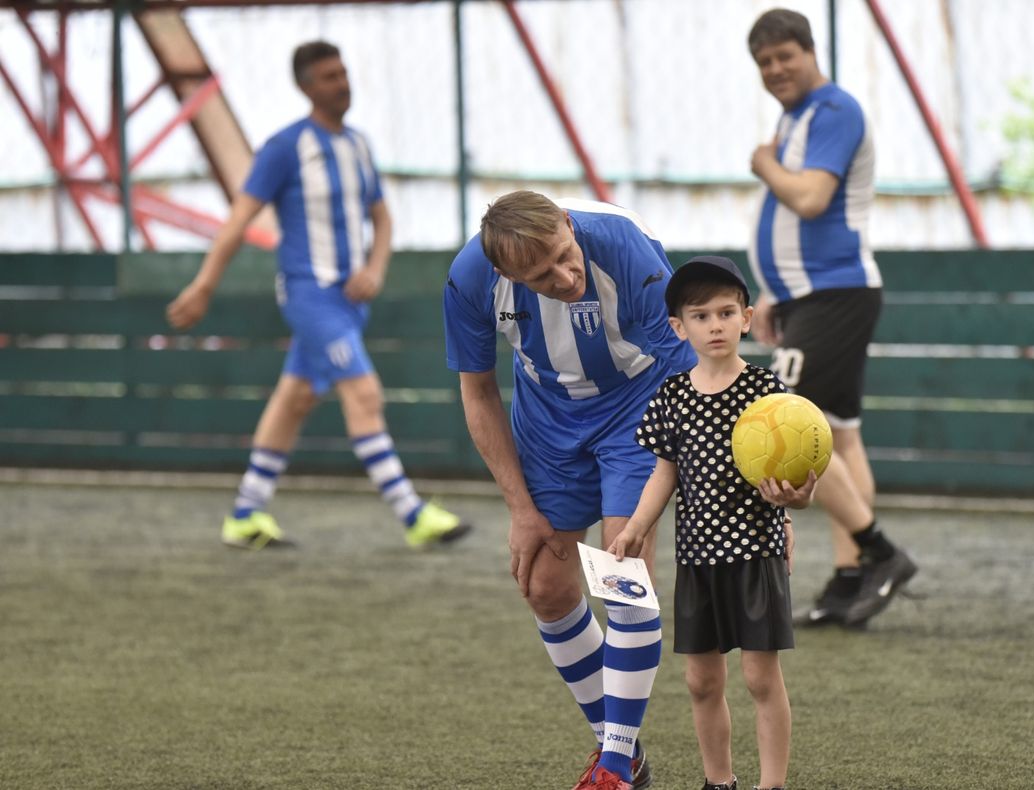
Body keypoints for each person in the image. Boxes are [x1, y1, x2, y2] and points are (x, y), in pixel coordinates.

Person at [166, 41, 470, 550]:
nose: (342, 83)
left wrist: (375, 268)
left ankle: (244, 514)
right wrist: (203, 285)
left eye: (344, 72)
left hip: (352, 302)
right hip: (310, 296)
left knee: (297, 397)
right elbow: (240, 218)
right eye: (329, 76)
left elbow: (382, 215)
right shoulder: (284, 147)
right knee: (365, 393)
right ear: (306, 87)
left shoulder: (358, 145)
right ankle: (413, 514)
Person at [443, 190, 698, 790]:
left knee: (622, 575)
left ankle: (612, 766)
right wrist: (519, 510)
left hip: (642, 405)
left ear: (567, 221)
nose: (565, 275)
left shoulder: (623, 247)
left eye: (565, 253)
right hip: (550, 418)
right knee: (546, 588)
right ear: (506, 274)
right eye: (541, 275)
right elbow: (477, 392)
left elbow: (691, 370)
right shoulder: (470, 280)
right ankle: (623, 753)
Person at [607, 256, 815, 790]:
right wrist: (634, 528)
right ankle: (718, 781)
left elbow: (800, 473)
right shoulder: (673, 395)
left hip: (756, 555)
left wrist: (801, 496)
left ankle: (773, 784)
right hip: (697, 560)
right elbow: (664, 473)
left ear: (747, 317)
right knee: (701, 681)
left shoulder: (767, 391)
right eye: (700, 316)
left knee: (759, 677)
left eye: (726, 312)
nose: (715, 325)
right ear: (679, 328)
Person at [745, 8, 915, 628]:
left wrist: (763, 164)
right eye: (764, 63)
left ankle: (879, 551)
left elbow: (811, 198)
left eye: (785, 56)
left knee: (784, 421)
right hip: (810, 295)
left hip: (836, 294)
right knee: (839, 435)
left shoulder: (834, 111)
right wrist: (773, 289)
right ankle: (852, 577)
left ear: (810, 52)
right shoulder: (796, 118)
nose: (775, 70)